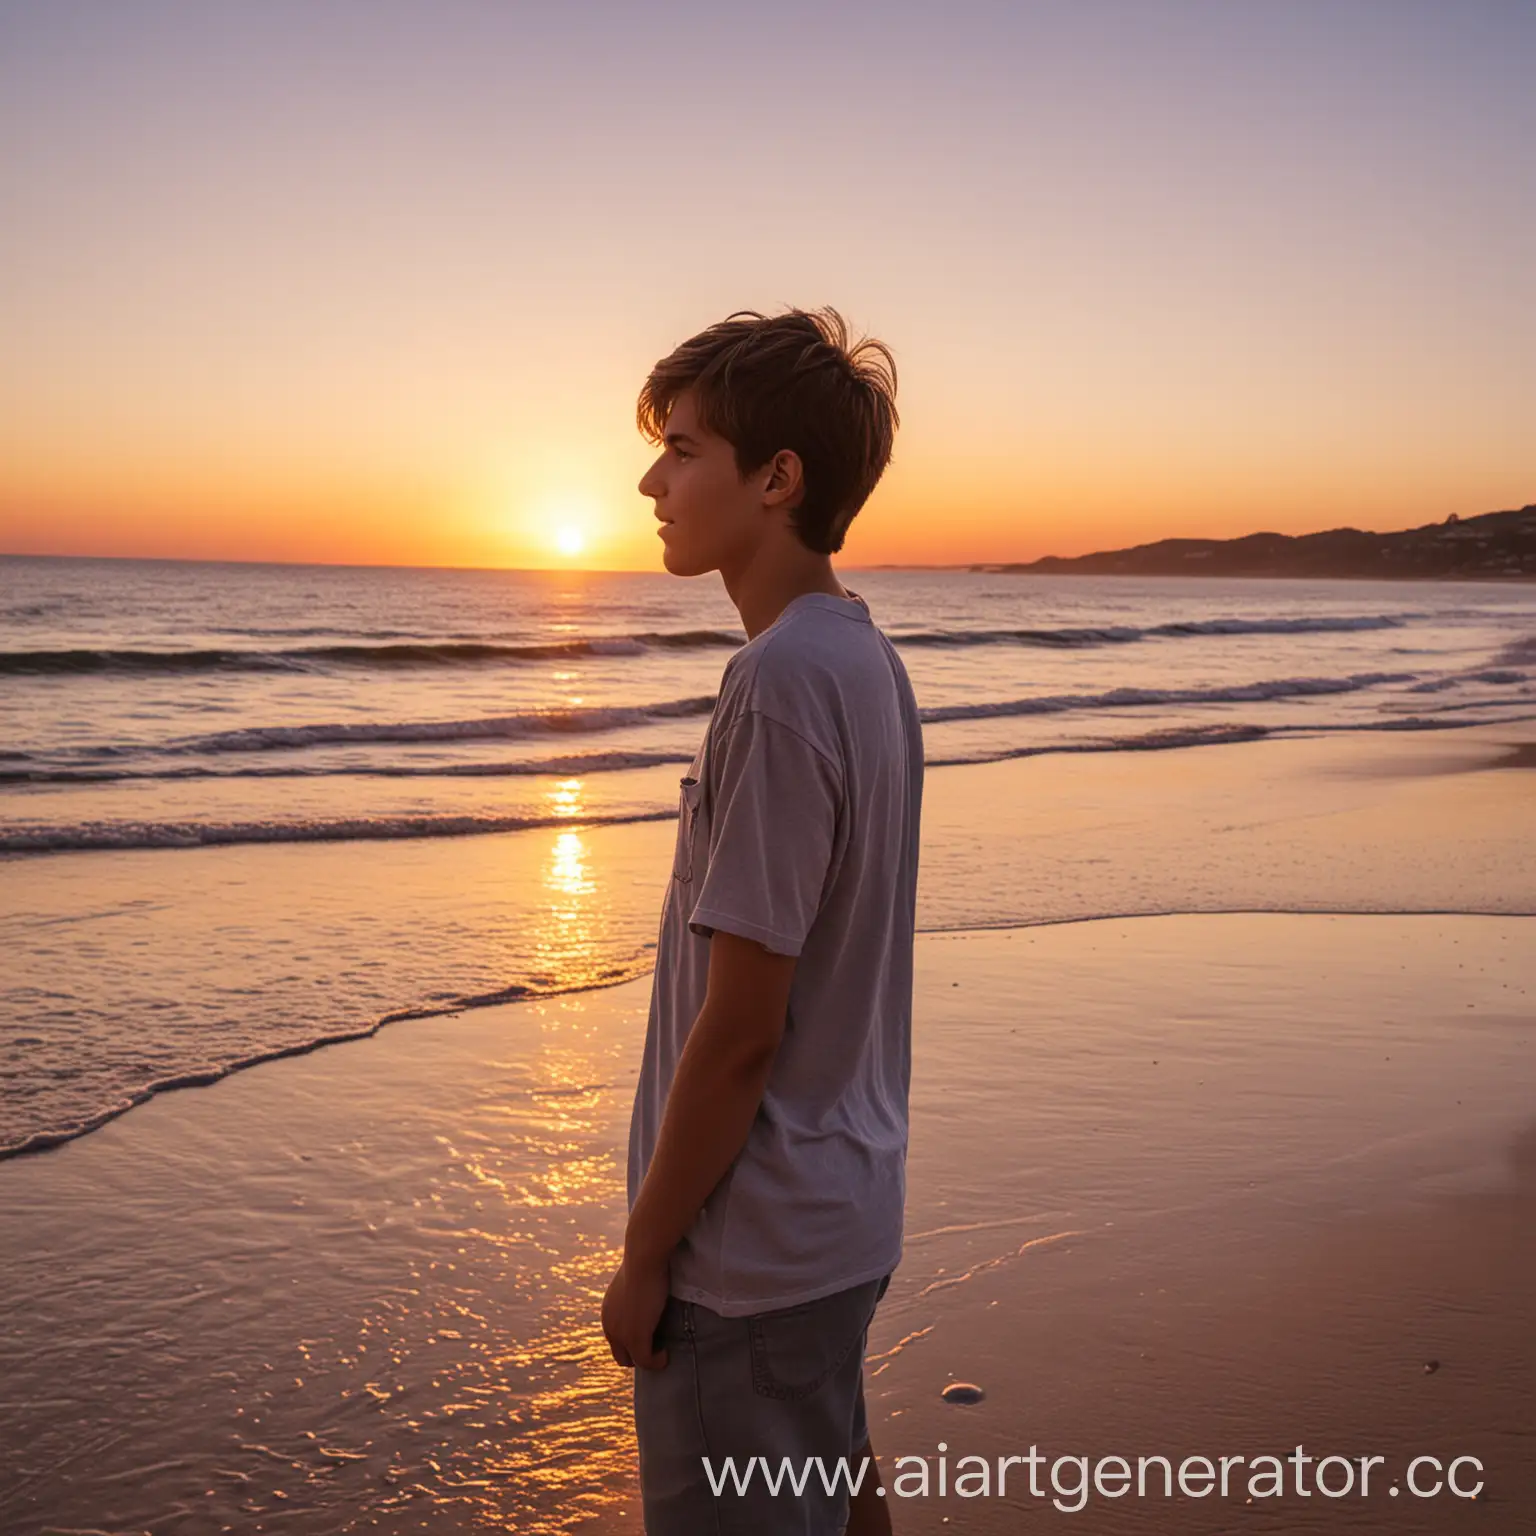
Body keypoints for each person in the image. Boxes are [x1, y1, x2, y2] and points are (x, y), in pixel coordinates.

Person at [601, 307, 923, 1535]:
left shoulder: (780, 683)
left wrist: (645, 1259)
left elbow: (741, 1032)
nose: (653, 479)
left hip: (745, 1264)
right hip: (837, 1220)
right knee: (836, 1493)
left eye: (682, 449)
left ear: (777, 479)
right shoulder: (866, 665)